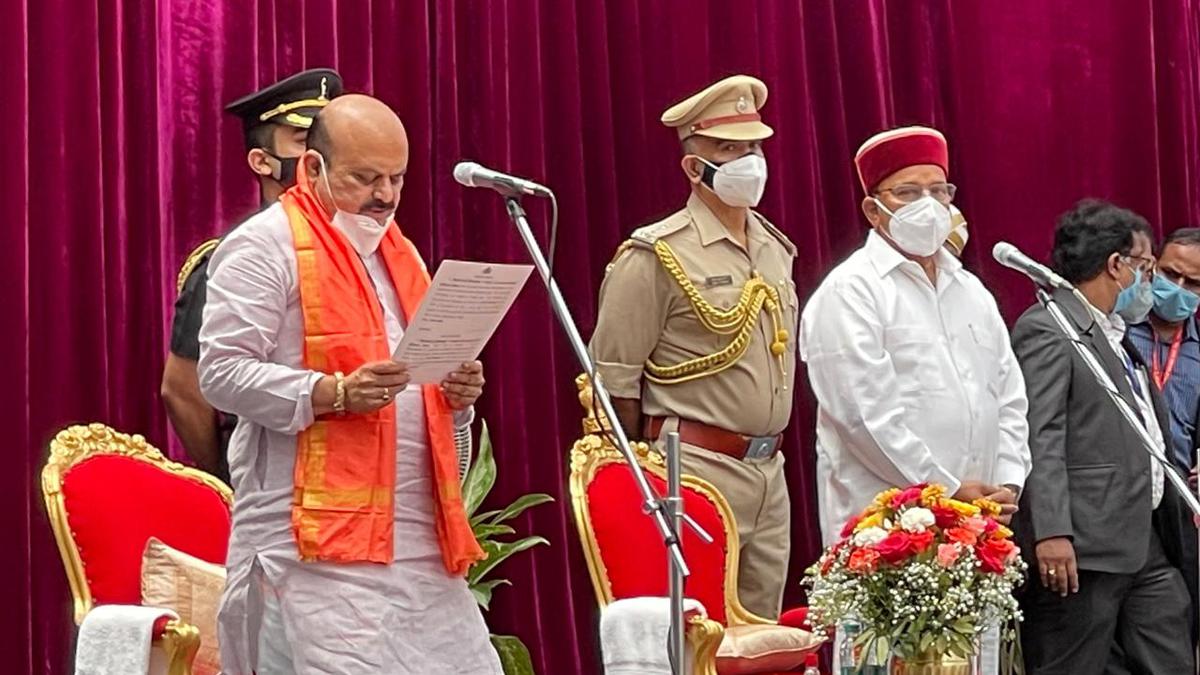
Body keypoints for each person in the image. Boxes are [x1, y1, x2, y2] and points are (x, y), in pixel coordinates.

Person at [198, 94, 501, 673]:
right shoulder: (263, 246)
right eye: (365, 178)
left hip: (419, 544)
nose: (385, 196)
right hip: (316, 549)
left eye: (397, 178)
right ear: (312, 167)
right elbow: (221, 373)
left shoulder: (399, 254)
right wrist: (332, 394)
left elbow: (418, 398)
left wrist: (454, 397)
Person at [799, 126, 1030, 674]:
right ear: (874, 210)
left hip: (979, 529)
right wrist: (947, 492)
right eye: (908, 192)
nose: (928, 204)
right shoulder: (850, 291)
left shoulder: (970, 289)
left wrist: (1009, 480)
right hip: (887, 539)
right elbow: (865, 415)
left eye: (939, 190)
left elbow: (1009, 396)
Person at [589, 74, 797, 619]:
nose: (748, 162)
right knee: (697, 635)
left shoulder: (775, 249)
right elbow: (613, 388)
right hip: (696, 470)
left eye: (754, 147)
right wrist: (647, 479)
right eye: (729, 151)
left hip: (769, 472)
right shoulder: (655, 254)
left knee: (763, 638)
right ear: (692, 167)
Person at [1011, 199, 1193, 674]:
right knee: (1074, 664)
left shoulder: (1115, 331)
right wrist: (1052, 531)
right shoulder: (1050, 328)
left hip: (1145, 538)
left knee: (1170, 652)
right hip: (1084, 546)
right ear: (1116, 266)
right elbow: (1040, 433)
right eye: (1147, 268)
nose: (1150, 283)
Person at [163, 68, 343, 483]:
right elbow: (184, 389)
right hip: (270, 479)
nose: (319, 159)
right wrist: (226, 479)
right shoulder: (236, 257)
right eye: (303, 143)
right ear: (263, 161)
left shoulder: (365, 250)